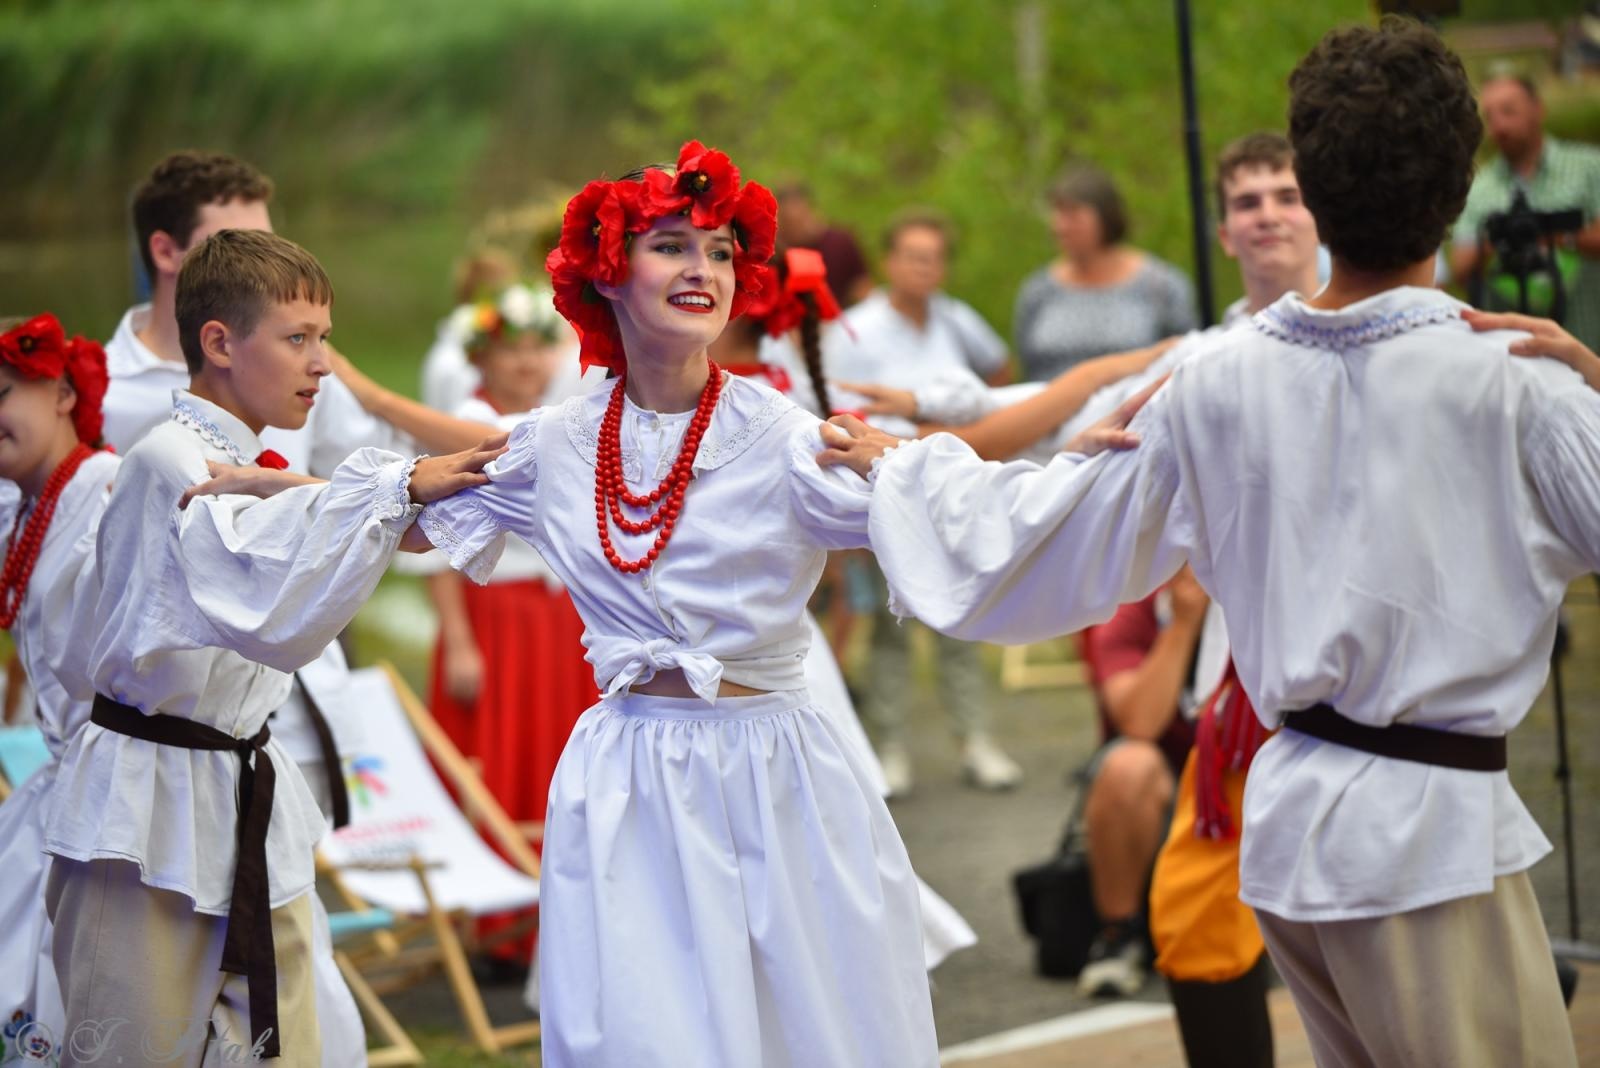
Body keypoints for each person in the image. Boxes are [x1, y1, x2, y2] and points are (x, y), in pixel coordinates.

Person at [822, 20, 1593, 1066]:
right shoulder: (1515, 384)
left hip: (1293, 826)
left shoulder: (1217, 384)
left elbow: (1039, 534)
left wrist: (897, 466)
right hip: (1426, 843)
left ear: (1311, 194)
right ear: (1460, 194)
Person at [410, 142, 939, 1066]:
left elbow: (949, 522)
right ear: (608, 274)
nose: (703, 269)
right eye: (673, 247)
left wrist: (1076, 474)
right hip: (629, 782)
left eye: (723, 252)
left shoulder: (781, 439)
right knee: (647, 1036)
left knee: (804, 1029)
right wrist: (274, 492)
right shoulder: (561, 442)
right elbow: (397, 514)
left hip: (773, 776)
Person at [45, 229, 500, 1065]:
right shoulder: (167, 462)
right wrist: (398, 488)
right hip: (147, 798)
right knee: (134, 1040)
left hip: (242, 785)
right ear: (218, 341)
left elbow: (323, 525)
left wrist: (431, 492)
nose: (322, 364)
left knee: (289, 1038)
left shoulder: (256, 463)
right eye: (298, 339)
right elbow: (262, 597)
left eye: (323, 338)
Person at [424, 280, 593, 974]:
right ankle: (505, 928)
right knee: (509, 759)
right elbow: (433, 542)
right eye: (510, 352)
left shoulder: (563, 411)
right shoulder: (466, 421)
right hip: (498, 615)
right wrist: (460, 641)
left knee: (564, 761)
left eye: (534, 349)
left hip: (561, 618)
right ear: (483, 359)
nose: (525, 364)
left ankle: (570, 918)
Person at [830, 209, 1023, 794]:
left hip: (951, 485)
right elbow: (833, 408)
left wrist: (980, 427)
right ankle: (889, 747)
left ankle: (975, 740)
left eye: (933, 256)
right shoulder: (854, 328)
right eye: (912, 255)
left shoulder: (956, 321)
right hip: (882, 488)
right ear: (889, 262)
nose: (923, 267)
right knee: (891, 628)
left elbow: (997, 371)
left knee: (961, 616)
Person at [0, 315, 118, 1064]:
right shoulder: (21, 505)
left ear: (65, 394)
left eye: (5, 390)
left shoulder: (106, 492)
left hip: (114, 794)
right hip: (59, 783)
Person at [1074, 567, 1208, 998]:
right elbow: (1139, 722)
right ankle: (1119, 934)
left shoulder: (1261, 603)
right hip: (1167, 796)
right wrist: (1184, 624)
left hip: (1241, 788)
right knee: (1129, 765)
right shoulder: (1130, 607)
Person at [1450, 74, 1600, 351]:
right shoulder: (1480, 188)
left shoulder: (1589, 166)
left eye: (1509, 110)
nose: (1499, 125)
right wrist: (1502, 240)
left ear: (1538, 109)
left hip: (1590, 341)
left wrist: (1557, 236)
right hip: (1516, 355)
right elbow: (1460, 269)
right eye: (1490, 116)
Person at [1014, 162, 1197, 382]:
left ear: (1105, 216)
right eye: (1057, 213)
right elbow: (1026, 367)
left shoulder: (1160, 286)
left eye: (1073, 213)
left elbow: (1187, 363)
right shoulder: (1039, 290)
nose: (1060, 226)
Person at [774, 180, 874, 306]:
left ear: (810, 210)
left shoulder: (840, 242)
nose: (797, 224)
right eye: (789, 221)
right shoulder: (777, 250)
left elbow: (863, 288)